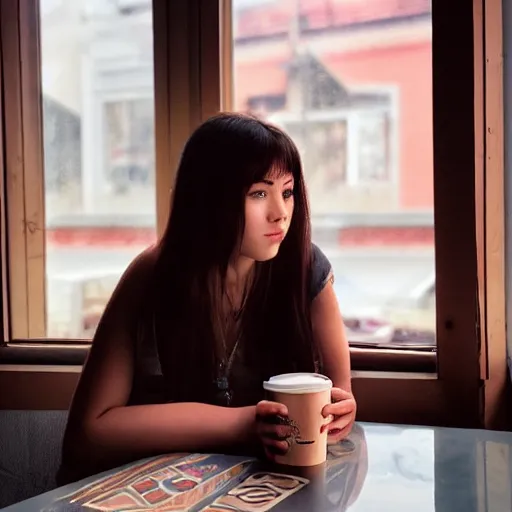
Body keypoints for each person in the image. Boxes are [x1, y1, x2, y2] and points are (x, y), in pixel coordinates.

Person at [58, 112, 356, 484]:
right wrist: (243, 423)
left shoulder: (305, 270)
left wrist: (342, 412)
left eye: (288, 191)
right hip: (167, 490)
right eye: (258, 193)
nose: (280, 213)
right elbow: (88, 434)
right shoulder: (152, 275)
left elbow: (339, 394)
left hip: (275, 487)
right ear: (210, 198)